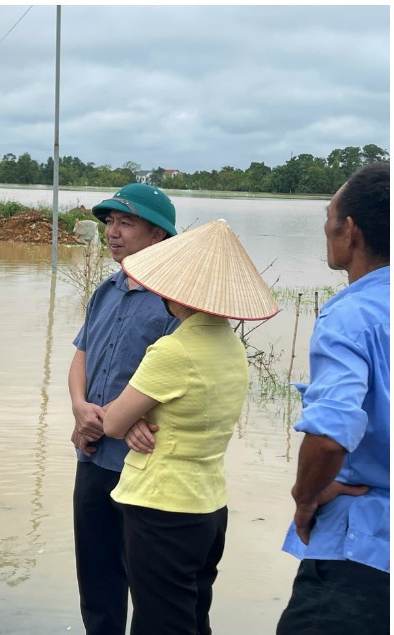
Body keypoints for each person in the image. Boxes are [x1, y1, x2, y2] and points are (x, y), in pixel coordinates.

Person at [102, 219, 279, 635]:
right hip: (209, 506)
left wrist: (127, 422)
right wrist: (136, 421)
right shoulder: (230, 345)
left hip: (163, 507)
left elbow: (111, 422)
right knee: (192, 616)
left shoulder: (174, 349)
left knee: (159, 622)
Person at [277, 162, 389, 634]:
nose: (326, 227)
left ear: (350, 231)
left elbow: (328, 437)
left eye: (329, 216)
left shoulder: (352, 316)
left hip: (361, 552)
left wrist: (306, 499)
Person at [69, 182, 179, 635]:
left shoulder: (178, 303)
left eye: (126, 223)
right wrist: (79, 407)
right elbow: (81, 355)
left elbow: (182, 379)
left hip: (143, 465)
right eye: (110, 222)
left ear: (158, 235)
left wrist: (134, 417)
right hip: (92, 455)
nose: (113, 232)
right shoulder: (106, 290)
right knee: (96, 579)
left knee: (150, 588)